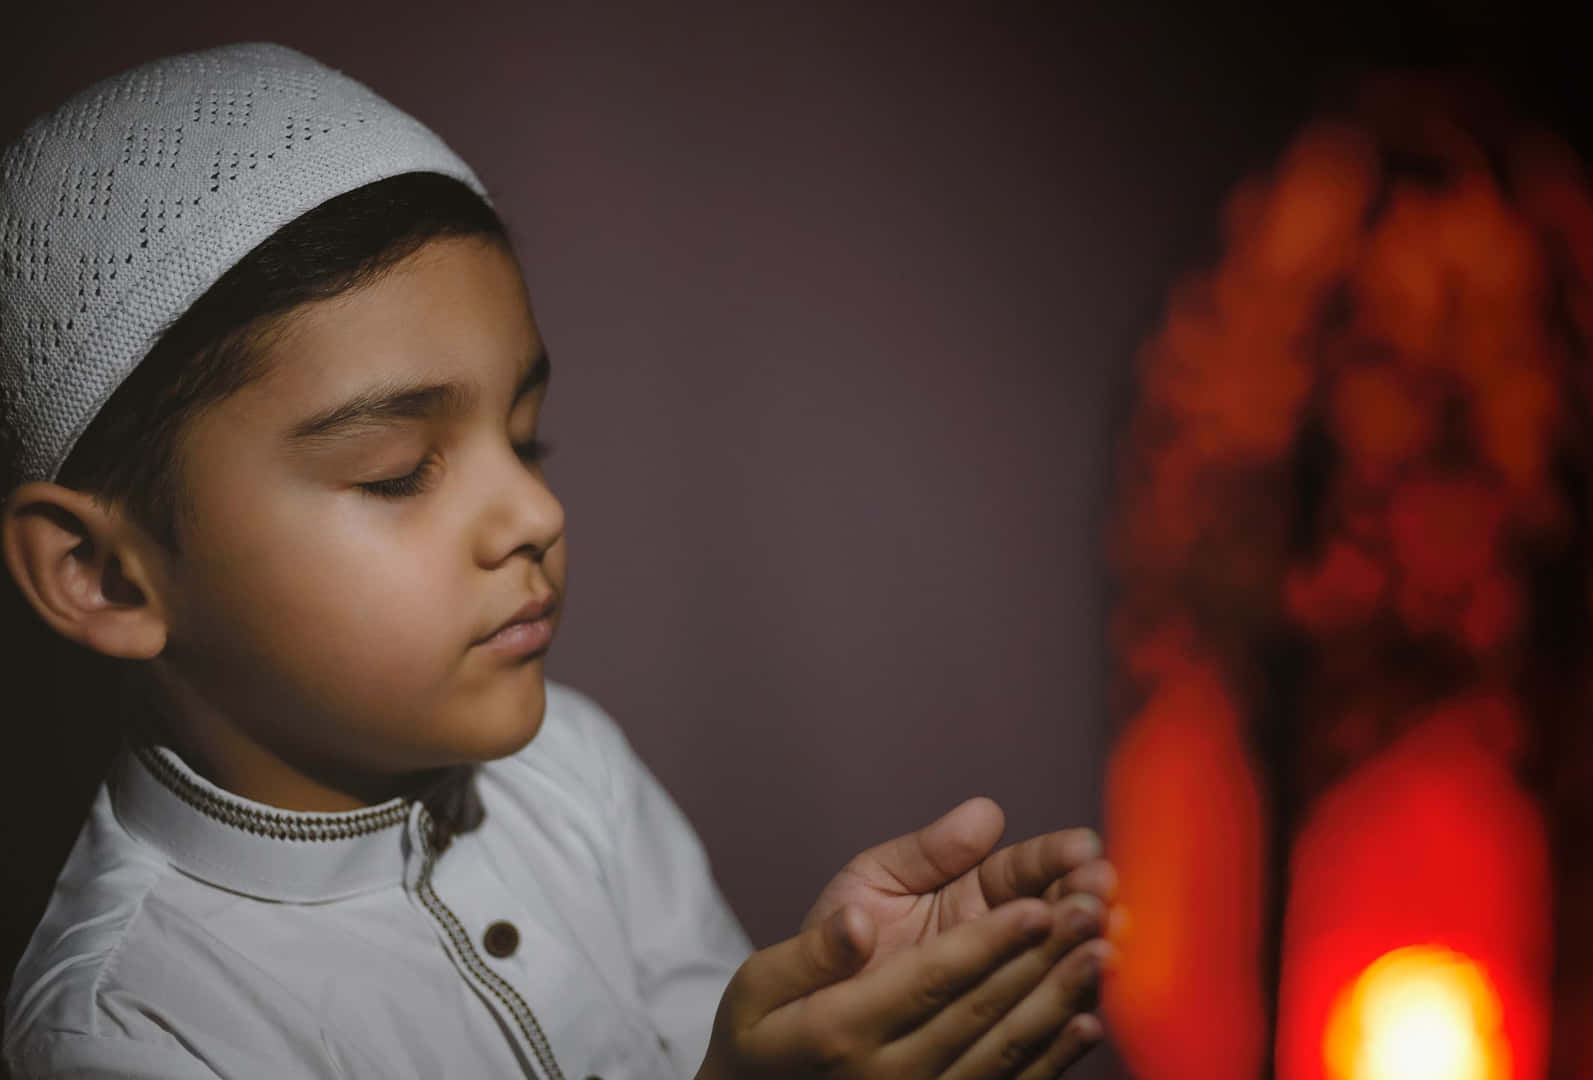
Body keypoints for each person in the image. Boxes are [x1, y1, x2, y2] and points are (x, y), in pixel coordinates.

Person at [0, 41, 1115, 1079]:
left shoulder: (572, 770)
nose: (534, 508)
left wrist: (833, 1004)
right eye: (397, 471)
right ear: (102, 573)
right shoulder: (124, 1028)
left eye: (526, 438)